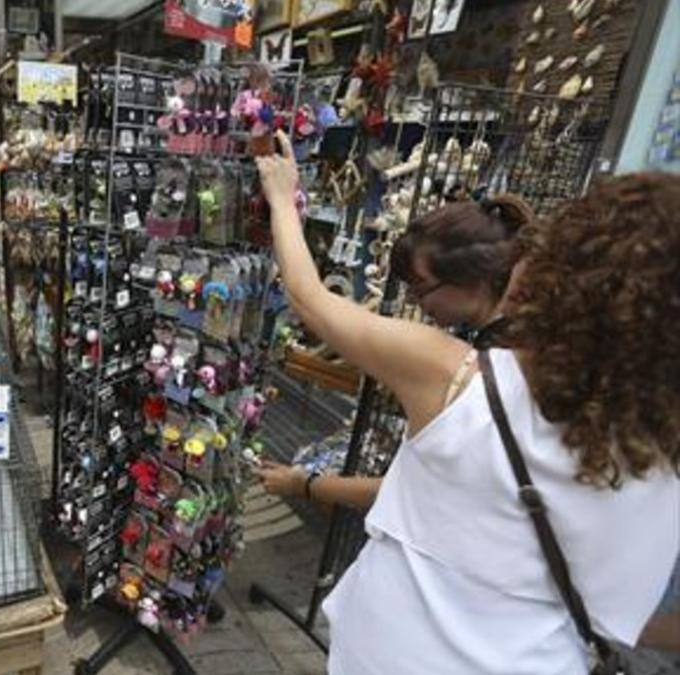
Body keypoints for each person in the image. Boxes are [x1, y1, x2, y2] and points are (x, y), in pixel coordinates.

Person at [254, 131, 679, 673]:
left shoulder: (455, 378)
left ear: (563, 278)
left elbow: (311, 300)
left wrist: (281, 195)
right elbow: (637, 615)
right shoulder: (657, 456)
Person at [258, 195, 532, 508]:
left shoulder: (448, 362)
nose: (416, 303)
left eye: (422, 288)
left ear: (475, 278)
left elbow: (309, 299)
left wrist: (282, 199)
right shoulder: (523, 354)